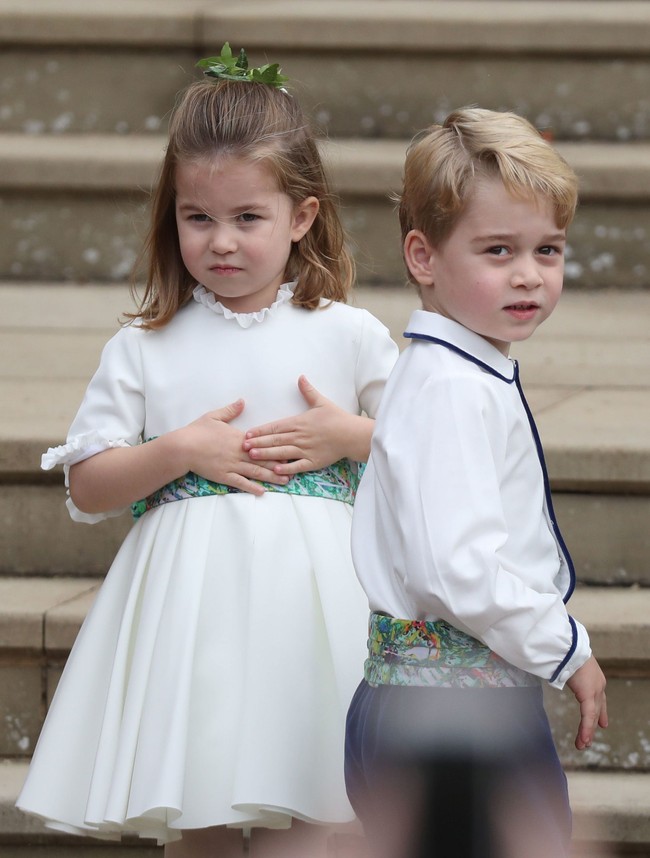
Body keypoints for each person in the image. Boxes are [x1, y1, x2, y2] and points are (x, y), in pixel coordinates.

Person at [17, 45, 398, 858]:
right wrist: (179, 449)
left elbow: (430, 454)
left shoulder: (349, 334)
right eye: (198, 218)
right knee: (201, 802)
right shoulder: (145, 347)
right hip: (191, 615)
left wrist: (351, 437)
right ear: (173, 216)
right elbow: (89, 486)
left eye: (247, 218)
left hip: (318, 610)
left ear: (301, 216)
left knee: (319, 798)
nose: (221, 242)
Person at [344, 108, 608, 858]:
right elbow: (457, 566)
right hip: (452, 715)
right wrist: (565, 647)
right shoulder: (454, 388)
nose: (528, 274)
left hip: (438, 702)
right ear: (423, 257)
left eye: (547, 249)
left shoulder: (452, 372)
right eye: (498, 250)